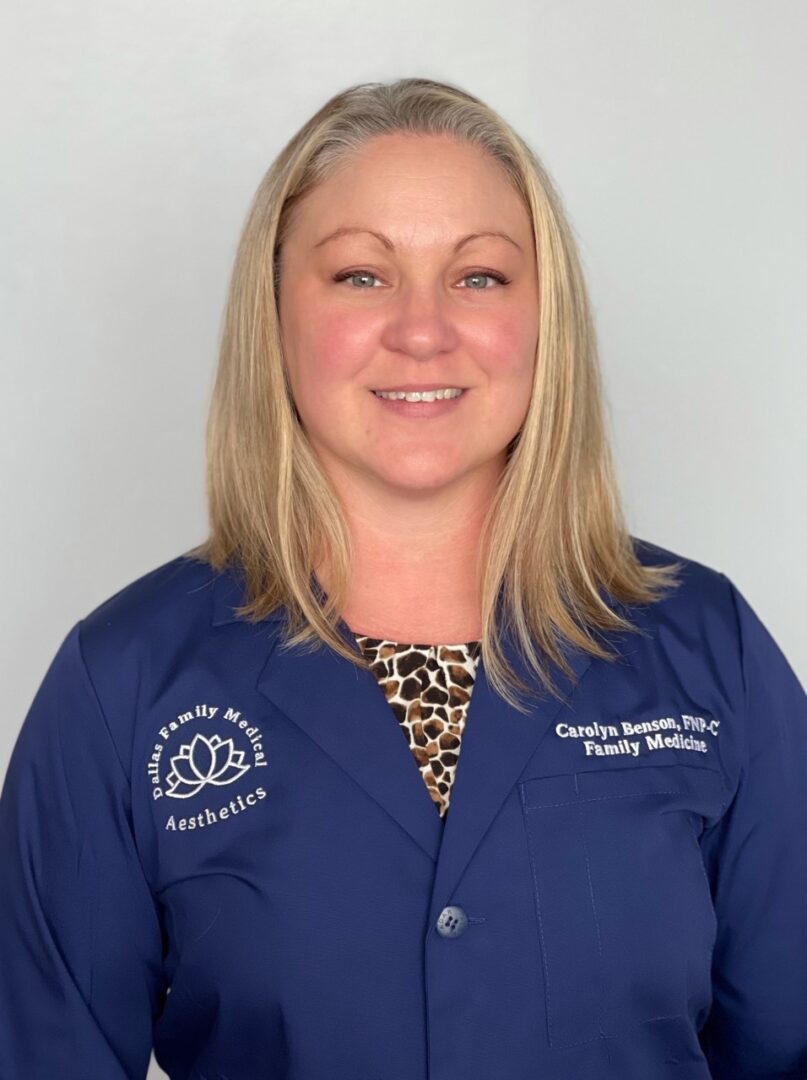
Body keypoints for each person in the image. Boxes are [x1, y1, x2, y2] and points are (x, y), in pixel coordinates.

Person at [0, 77, 805, 1080]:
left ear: (544, 316)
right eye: (360, 277)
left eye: (479, 278)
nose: (422, 330)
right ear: (275, 312)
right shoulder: (122, 685)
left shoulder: (707, 650)